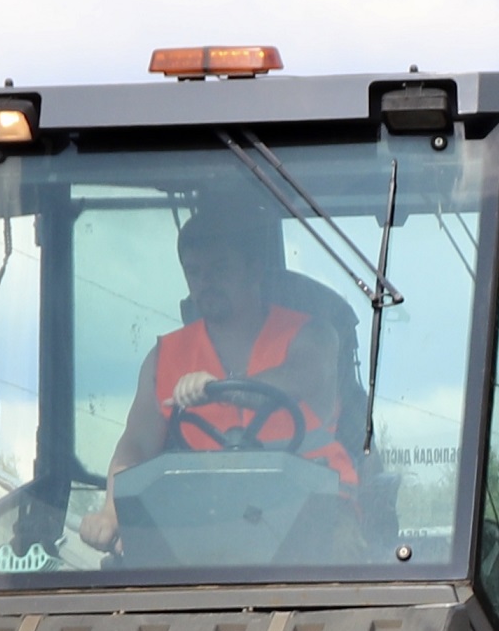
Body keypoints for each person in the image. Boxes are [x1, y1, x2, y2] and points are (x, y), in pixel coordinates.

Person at [74, 197, 358, 551]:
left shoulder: (312, 337)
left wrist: (222, 389)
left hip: (317, 512)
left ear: (254, 270)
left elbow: (296, 378)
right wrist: (111, 514)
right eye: (194, 272)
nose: (205, 282)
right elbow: (136, 446)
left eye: (220, 270)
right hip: (206, 519)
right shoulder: (164, 358)